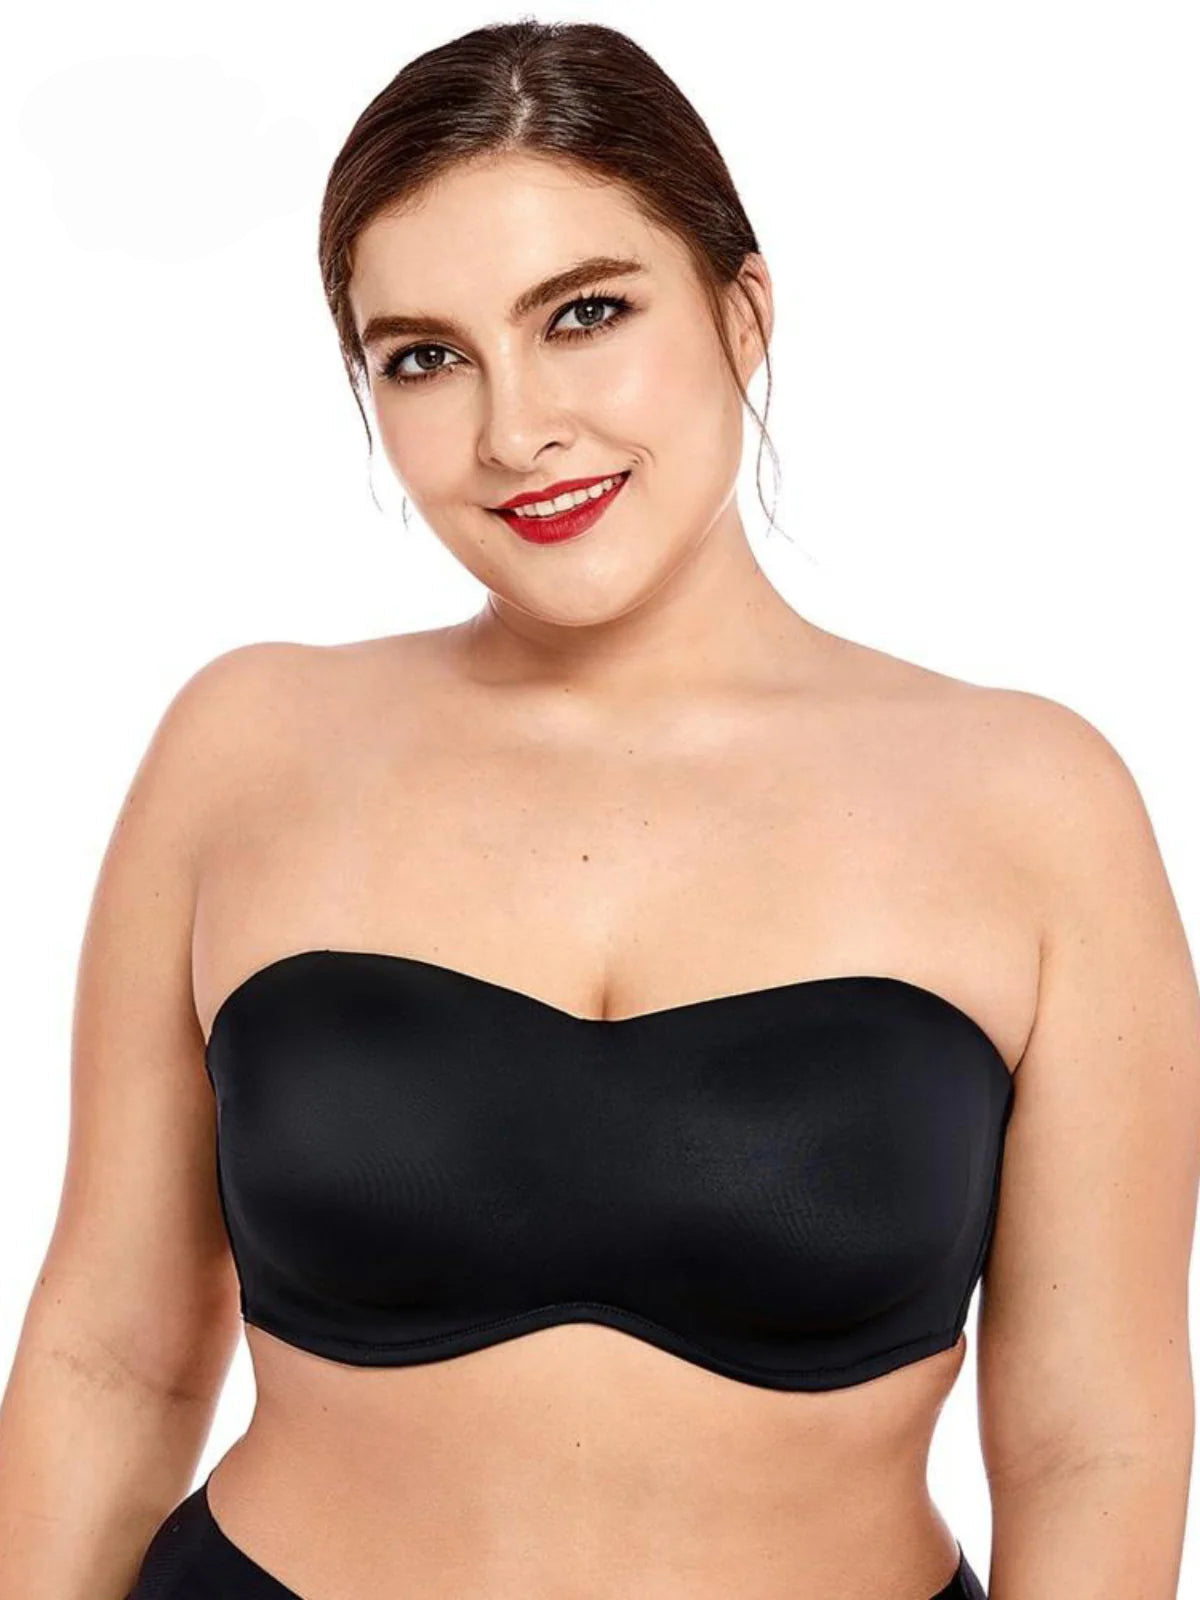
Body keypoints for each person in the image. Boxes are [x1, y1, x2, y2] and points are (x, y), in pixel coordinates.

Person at [1, 19, 1196, 1600]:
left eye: (585, 314)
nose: (515, 431)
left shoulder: (1036, 804)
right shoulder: (247, 746)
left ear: (742, 311)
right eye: (424, 357)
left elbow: (1091, 1442)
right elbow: (114, 1357)